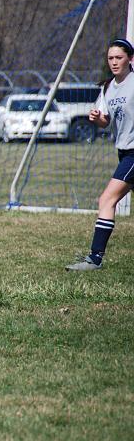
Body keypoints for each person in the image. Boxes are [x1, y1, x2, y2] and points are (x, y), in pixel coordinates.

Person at [66, 38, 134, 271]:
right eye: (110, 58)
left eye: (119, 58)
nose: (114, 62)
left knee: (107, 199)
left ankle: (95, 258)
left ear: (130, 59)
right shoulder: (108, 87)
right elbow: (105, 122)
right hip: (123, 150)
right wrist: (98, 119)